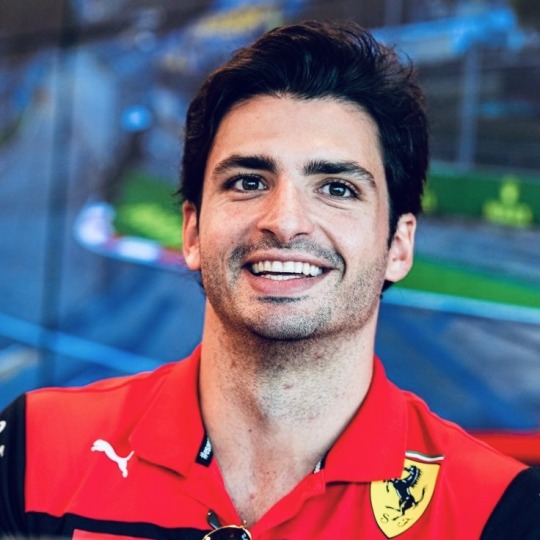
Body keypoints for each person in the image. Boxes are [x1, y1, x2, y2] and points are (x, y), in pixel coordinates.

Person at [1, 20, 539, 540]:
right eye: (248, 182)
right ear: (191, 231)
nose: (284, 221)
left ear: (398, 247)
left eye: (337, 189)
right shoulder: (32, 452)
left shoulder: (501, 512)